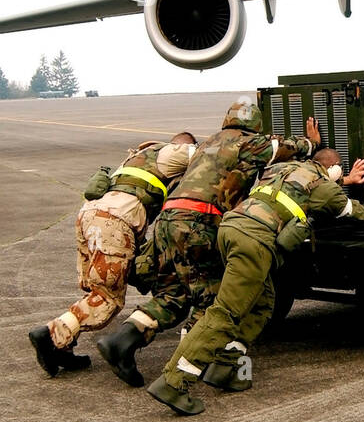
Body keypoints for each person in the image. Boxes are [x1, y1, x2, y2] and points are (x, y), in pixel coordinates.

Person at [147, 147, 364, 415]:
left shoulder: (285, 169)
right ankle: (174, 381)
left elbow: (308, 184)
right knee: (225, 313)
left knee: (262, 304)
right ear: (334, 170)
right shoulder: (325, 188)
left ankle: (225, 366)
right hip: (254, 242)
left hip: (231, 229)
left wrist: (341, 179)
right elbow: (356, 213)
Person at [96, 99, 319, 387]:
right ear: (255, 125)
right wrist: (311, 144)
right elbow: (287, 149)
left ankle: (122, 340)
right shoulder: (249, 143)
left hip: (168, 219)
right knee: (211, 298)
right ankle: (186, 368)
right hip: (199, 222)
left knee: (172, 294)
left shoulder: (207, 143)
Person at [27, 132, 196, 377]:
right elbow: (212, 153)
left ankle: (62, 347)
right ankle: (51, 334)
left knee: (95, 289)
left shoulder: (138, 156)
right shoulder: (174, 152)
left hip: (90, 215)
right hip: (115, 221)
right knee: (109, 298)